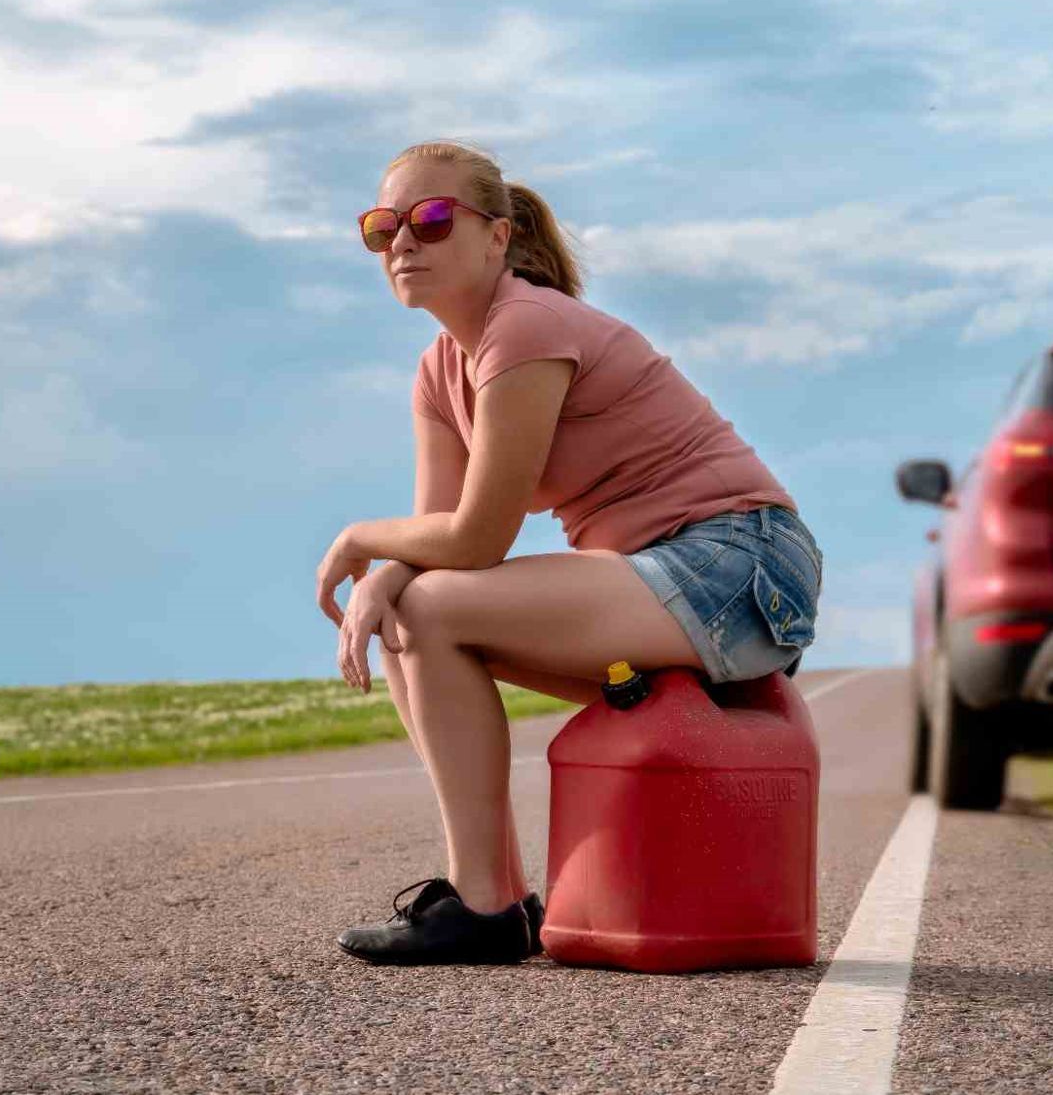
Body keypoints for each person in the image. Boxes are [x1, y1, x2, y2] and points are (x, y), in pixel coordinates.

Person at [314, 140, 826, 966]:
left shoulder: (526, 327)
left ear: (496, 236)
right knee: (413, 613)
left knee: (425, 606)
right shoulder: (439, 369)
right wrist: (387, 580)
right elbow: (439, 530)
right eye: (383, 227)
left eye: (433, 218)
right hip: (654, 586)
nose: (404, 241)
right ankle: (491, 899)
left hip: (741, 566)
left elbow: (477, 537)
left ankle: (483, 907)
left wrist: (359, 544)